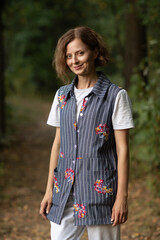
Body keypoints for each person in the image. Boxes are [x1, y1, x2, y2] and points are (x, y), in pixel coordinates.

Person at [40, 26, 134, 240]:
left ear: (94, 51)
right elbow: (57, 145)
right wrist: (48, 191)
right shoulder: (61, 96)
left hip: (101, 195)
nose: (75, 60)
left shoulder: (116, 96)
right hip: (64, 194)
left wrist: (122, 197)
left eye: (80, 53)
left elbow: (123, 149)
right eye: (69, 56)